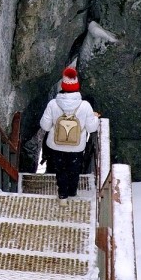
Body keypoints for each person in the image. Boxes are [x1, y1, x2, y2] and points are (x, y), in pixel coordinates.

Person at [39, 66, 100, 204]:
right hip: (76, 146)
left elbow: (45, 126)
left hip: (57, 145)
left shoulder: (53, 104)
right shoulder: (85, 106)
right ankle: (72, 191)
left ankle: (63, 195)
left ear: (63, 86)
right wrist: (95, 117)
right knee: (74, 169)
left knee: (60, 169)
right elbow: (91, 128)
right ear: (77, 87)